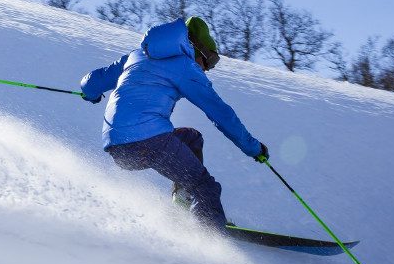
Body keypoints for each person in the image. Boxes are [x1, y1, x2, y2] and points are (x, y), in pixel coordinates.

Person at [80, 16, 268, 232]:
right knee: (205, 187)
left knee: (191, 137)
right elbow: (220, 113)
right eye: (210, 61)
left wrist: (91, 94)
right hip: (149, 141)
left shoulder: (136, 56)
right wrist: (253, 148)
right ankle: (210, 236)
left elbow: (92, 82)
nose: (207, 69)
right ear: (199, 50)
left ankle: (181, 205)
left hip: (117, 148)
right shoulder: (186, 67)